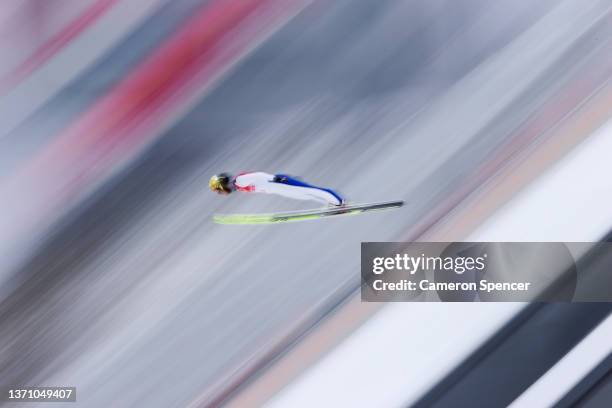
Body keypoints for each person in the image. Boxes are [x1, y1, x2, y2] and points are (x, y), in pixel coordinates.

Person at [209, 172, 345, 206]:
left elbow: (259, 175)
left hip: (280, 182)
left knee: (310, 191)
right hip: (277, 188)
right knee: (304, 196)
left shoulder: (239, 180)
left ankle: (339, 202)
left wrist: (275, 178)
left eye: (220, 189)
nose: (222, 193)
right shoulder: (239, 186)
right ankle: (333, 204)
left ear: (224, 183)